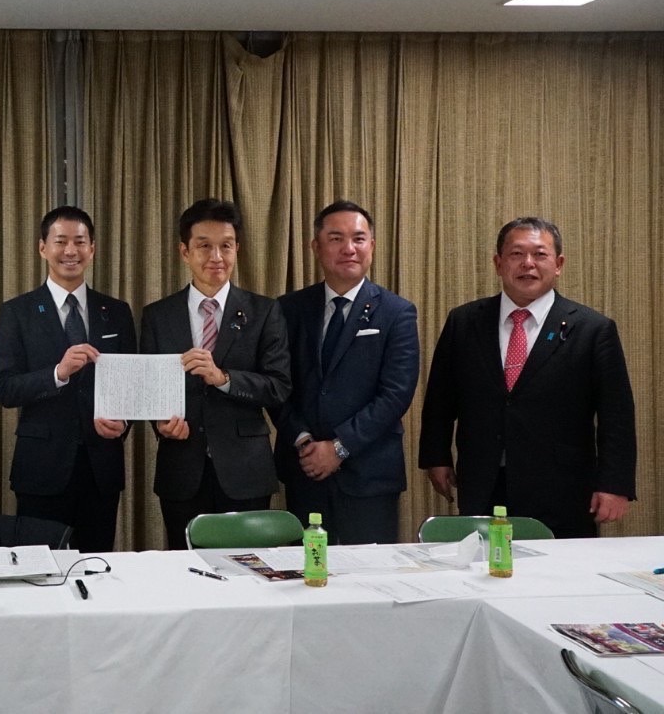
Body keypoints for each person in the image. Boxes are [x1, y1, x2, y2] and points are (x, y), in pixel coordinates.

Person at [419, 217, 636, 538]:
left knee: (559, 569)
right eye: (517, 254)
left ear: (558, 264)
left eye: (540, 254)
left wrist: (614, 484)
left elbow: (616, 414)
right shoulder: (464, 321)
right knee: (487, 562)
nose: (528, 264)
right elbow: (440, 398)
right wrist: (436, 457)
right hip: (484, 480)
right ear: (498, 263)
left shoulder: (592, 329)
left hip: (562, 487)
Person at [141, 198, 292, 550]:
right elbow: (148, 386)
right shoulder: (158, 315)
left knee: (250, 571)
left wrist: (224, 379)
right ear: (184, 251)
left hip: (245, 470)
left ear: (237, 249)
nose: (216, 257)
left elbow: (279, 386)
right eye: (204, 246)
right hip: (181, 468)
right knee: (185, 568)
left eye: (226, 246)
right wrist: (160, 423)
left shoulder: (264, 311)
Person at [273, 201, 419, 544]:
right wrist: (304, 440)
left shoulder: (397, 312)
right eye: (336, 238)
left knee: (369, 572)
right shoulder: (287, 309)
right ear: (316, 246)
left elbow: (396, 393)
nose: (349, 248)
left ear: (372, 245)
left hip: (370, 473)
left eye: (358, 238)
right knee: (305, 569)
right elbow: (277, 385)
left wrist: (339, 447)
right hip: (305, 468)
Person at [0, 206, 136, 552]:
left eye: (79, 241)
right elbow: (6, 389)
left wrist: (123, 422)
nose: (70, 250)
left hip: (101, 468)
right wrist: (57, 373)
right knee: (41, 569)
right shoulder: (17, 312)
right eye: (60, 241)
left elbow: (132, 386)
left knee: (97, 567)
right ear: (43, 248)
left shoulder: (117, 311)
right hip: (41, 469)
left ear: (92, 249)